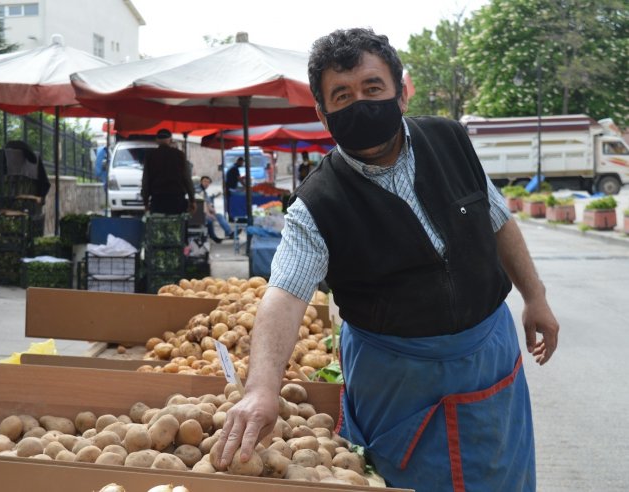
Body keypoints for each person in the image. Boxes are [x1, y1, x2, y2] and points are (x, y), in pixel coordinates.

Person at [214, 28, 559, 491]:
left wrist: (535, 296)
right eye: (343, 95)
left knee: (501, 475)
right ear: (323, 113)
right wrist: (261, 390)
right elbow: (284, 294)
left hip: (486, 358)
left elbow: (497, 218)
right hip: (397, 382)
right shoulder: (316, 204)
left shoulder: (451, 139)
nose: (361, 103)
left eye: (372, 89)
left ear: (400, 92)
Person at [141, 129, 196, 215]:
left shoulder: (150, 156)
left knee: (158, 227)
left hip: (158, 200)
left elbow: (146, 181)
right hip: (177, 200)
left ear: (157, 140)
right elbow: (186, 178)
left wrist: (145, 202)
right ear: (170, 140)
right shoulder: (179, 155)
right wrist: (192, 200)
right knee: (178, 227)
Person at [199, 176, 234, 243]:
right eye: (205, 181)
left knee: (219, 215)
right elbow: (202, 204)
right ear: (201, 182)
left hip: (203, 212)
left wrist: (212, 212)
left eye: (208, 182)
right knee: (210, 220)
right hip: (199, 214)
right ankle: (214, 236)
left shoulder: (204, 192)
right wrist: (208, 214)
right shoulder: (199, 191)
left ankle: (229, 233)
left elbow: (208, 204)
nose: (206, 183)